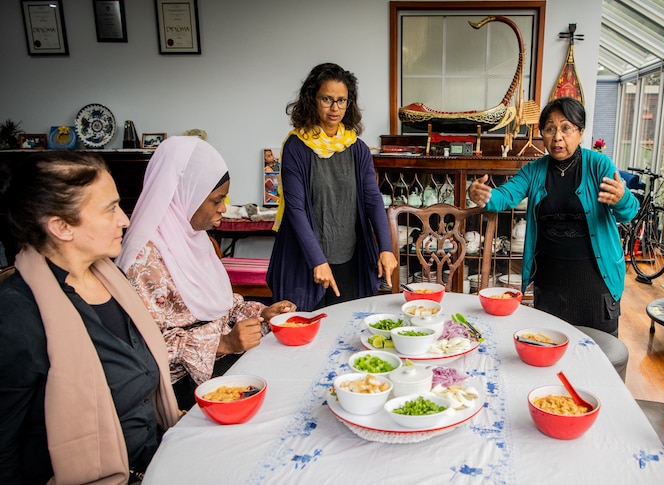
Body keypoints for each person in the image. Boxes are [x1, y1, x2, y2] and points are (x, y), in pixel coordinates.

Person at [0, 152, 180, 484]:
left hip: (155, 460)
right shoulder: (16, 315)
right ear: (61, 227)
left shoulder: (113, 281)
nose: (124, 220)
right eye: (110, 209)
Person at [116, 137, 296, 410]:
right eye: (216, 200)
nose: (223, 208)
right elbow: (141, 350)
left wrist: (262, 315)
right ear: (183, 195)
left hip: (217, 367)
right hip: (179, 392)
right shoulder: (143, 260)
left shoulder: (195, 240)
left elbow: (221, 306)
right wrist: (222, 343)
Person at [469, 96, 638, 336]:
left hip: (595, 280)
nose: (557, 136)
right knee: (549, 348)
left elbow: (629, 212)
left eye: (566, 128)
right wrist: (482, 195)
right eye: (549, 129)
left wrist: (622, 199)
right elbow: (504, 196)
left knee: (599, 354)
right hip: (550, 282)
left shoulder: (598, 164)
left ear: (580, 132)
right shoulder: (534, 170)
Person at [266, 63, 397, 311]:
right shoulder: (297, 147)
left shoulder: (357, 148)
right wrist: (317, 260)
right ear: (312, 100)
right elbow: (295, 209)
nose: (335, 108)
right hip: (305, 258)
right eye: (327, 99)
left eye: (341, 100)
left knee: (346, 331)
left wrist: (386, 249)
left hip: (350, 256)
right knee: (303, 334)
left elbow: (372, 200)